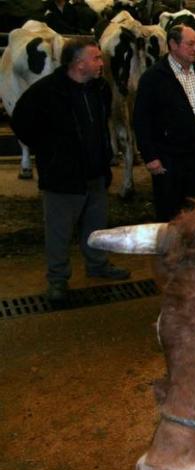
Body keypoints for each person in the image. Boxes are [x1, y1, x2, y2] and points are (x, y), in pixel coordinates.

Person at [11, 38, 130, 302]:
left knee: (96, 226)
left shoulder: (99, 88)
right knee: (59, 231)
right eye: (96, 58)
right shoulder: (45, 92)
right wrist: (49, 153)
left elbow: (101, 125)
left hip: (95, 174)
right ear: (79, 63)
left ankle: (97, 264)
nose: (102, 63)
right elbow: (20, 122)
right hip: (62, 178)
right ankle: (57, 279)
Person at [133, 25, 195, 222]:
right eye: (190, 44)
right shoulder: (153, 78)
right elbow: (141, 119)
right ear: (172, 44)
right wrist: (150, 156)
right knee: (169, 215)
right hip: (167, 160)